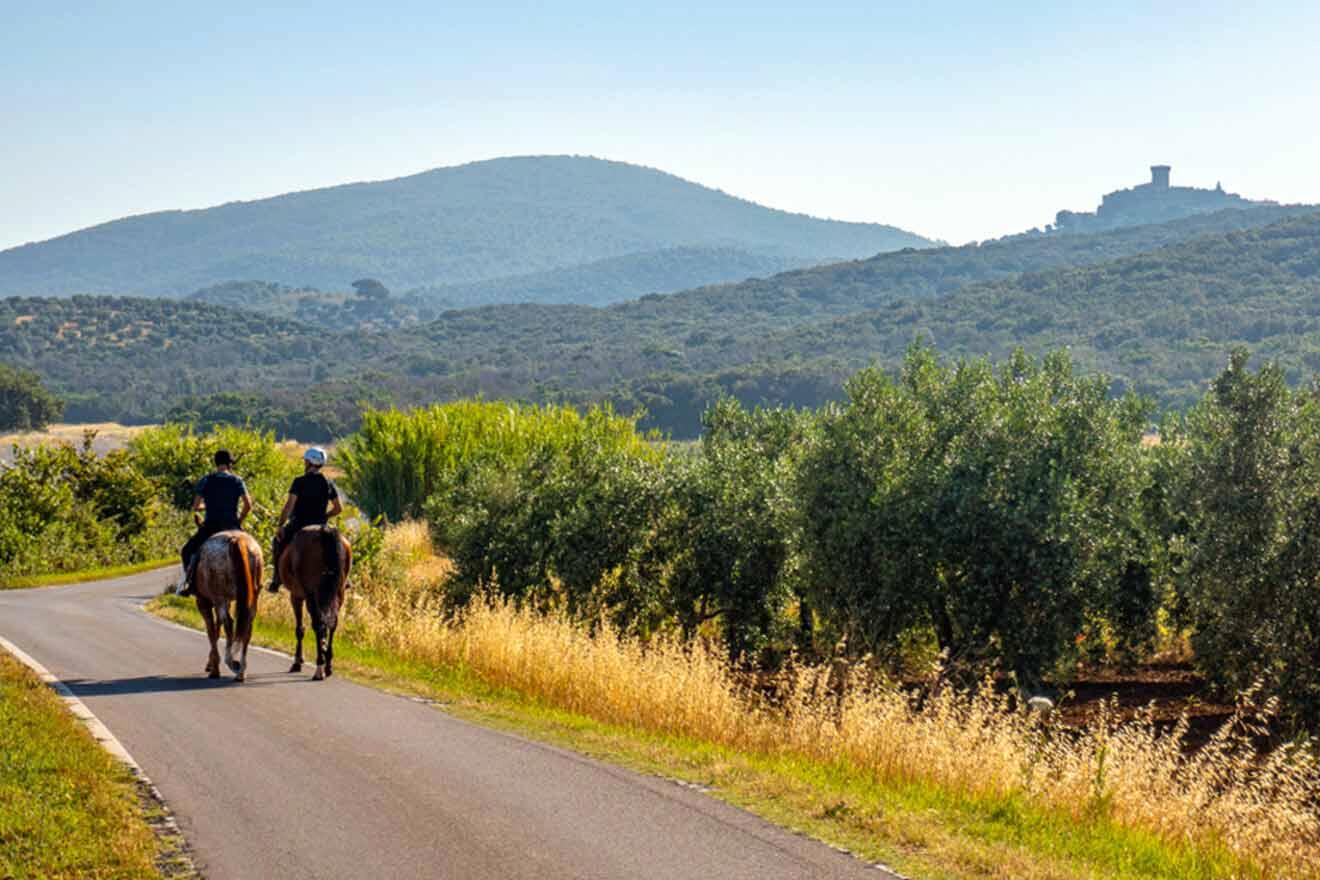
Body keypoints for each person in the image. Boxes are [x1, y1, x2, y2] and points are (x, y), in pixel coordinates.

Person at [176, 450, 253, 596]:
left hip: (211, 526)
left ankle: (190, 584)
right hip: (232, 525)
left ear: (216, 463)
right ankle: (255, 582)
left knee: (187, 550)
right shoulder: (237, 480)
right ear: (230, 464)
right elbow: (248, 505)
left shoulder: (206, 480)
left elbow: (196, 506)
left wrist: (209, 505)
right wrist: (239, 520)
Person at [268, 446, 342, 592]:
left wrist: (280, 525)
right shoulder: (328, 483)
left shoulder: (299, 481)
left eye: (306, 461)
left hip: (299, 524)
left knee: (277, 542)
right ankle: (344, 579)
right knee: (337, 547)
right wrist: (325, 516)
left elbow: (289, 507)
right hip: (321, 525)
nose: (304, 463)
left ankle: (276, 579)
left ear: (309, 462)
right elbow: (338, 508)